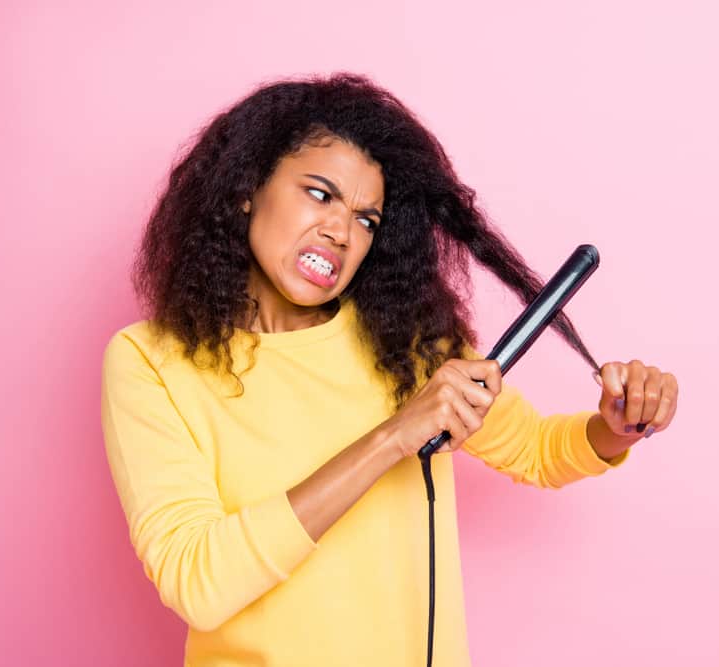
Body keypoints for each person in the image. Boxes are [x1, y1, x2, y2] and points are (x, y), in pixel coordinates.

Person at [100, 71, 679, 666]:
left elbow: (536, 449)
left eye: (366, 220)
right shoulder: (149, 362)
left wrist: (615, 426)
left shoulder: (406, 344)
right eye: (319, 194)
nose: (340, 232)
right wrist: (392, 436)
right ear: (248, 188)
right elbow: (200, 582)